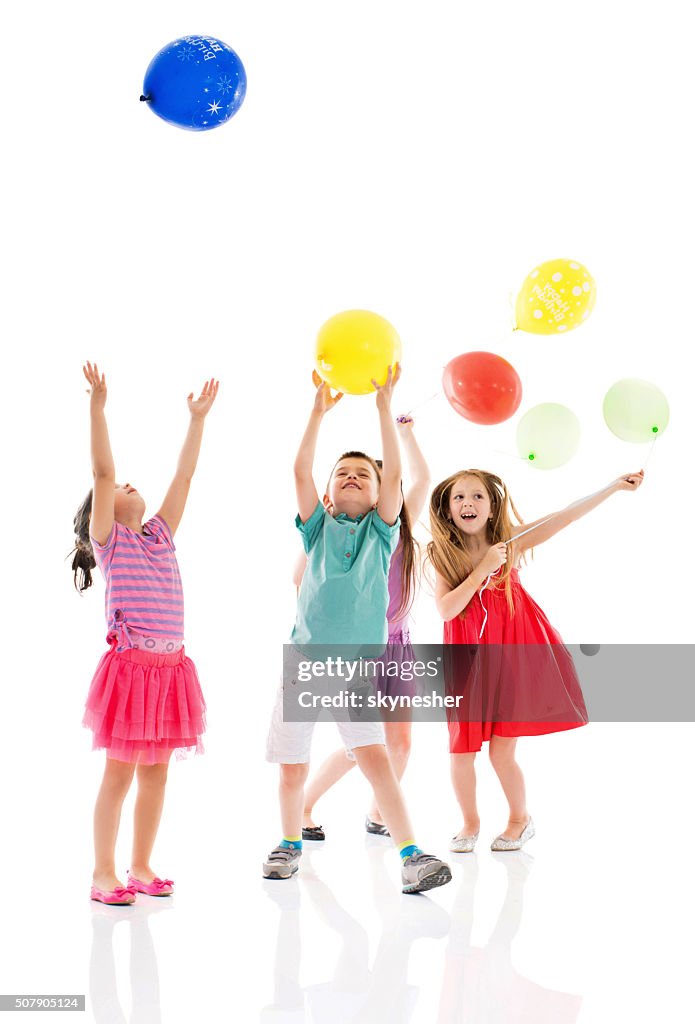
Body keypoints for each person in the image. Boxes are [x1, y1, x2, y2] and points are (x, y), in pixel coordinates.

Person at [264, 366, 451, 894]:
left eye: (362, 476)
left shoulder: (383, 534)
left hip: (356, 670)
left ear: (377, 498)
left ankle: (411, 853)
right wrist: (318, 411)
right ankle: (288, 842)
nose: (352, 477)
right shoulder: (317, 529)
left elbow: (397, 478)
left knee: (376, 758)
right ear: (327, 492)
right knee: (291, 767)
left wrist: (382, 407)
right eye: (342, 473)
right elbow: (300, 470)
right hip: (303, 664)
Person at [427, 467, 644, 853]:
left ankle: (518, 820)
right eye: (459, 497)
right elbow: (447, 610)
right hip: (467, 662)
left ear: (492, 508)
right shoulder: (442, 553)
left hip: (512, 652)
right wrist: (483, 568)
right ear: (447, 509)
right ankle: (469, 823)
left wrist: (610, 487)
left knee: (501, 750)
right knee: (461, 750)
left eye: (478, 496)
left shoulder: (510, 541)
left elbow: (565, 516)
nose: (468, 503)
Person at [72, 362, 219, 904]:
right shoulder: (111, 541)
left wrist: (196, 421)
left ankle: (139, 866)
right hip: (132, 671)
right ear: (102, 513)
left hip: (172, 671)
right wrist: (97, 408)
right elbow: (104, 472)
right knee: (119, 775)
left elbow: (183, 479)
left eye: (133, 485)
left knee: (157, 775)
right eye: (118, 489)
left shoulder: (159, 535)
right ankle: (102, 872)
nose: (129, 484)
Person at [300, 415, 430, 840]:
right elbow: (300, 577)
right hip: (363, 647)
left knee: (401, 743)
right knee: (363, 745)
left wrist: (406, 433)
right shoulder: (344, 533)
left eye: (372, 478)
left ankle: (379, 814)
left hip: (400, 645)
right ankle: (305, 802)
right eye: (349, 476)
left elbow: (420, 477)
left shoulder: (394, 527)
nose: (358, 483)